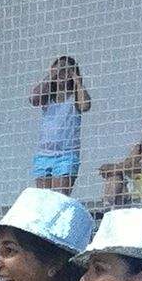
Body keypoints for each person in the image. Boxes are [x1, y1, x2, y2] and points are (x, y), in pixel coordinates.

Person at [30, 56, 92, 194]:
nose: (60, 74)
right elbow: (34, 99)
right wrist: (50, 75)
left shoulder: (75, 97)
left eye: (65, 71)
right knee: (42, 198)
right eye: (58, 70)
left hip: (66, 154)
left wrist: (78, 82)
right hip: (44, 154)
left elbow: (85, 106)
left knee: (60, 198)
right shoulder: (48, 96)